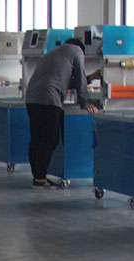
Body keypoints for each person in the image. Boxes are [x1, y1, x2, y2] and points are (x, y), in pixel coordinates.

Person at [24, 37, 99, 189]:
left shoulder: (53, 53)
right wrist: (84, 103)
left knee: (37, 137)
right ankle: (39, 178)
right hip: (49, 99)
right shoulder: (77, 51)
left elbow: (64, 81)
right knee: (50, 138)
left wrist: (91, 77)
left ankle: (37, 176)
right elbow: (79, 80)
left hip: (31, 98)